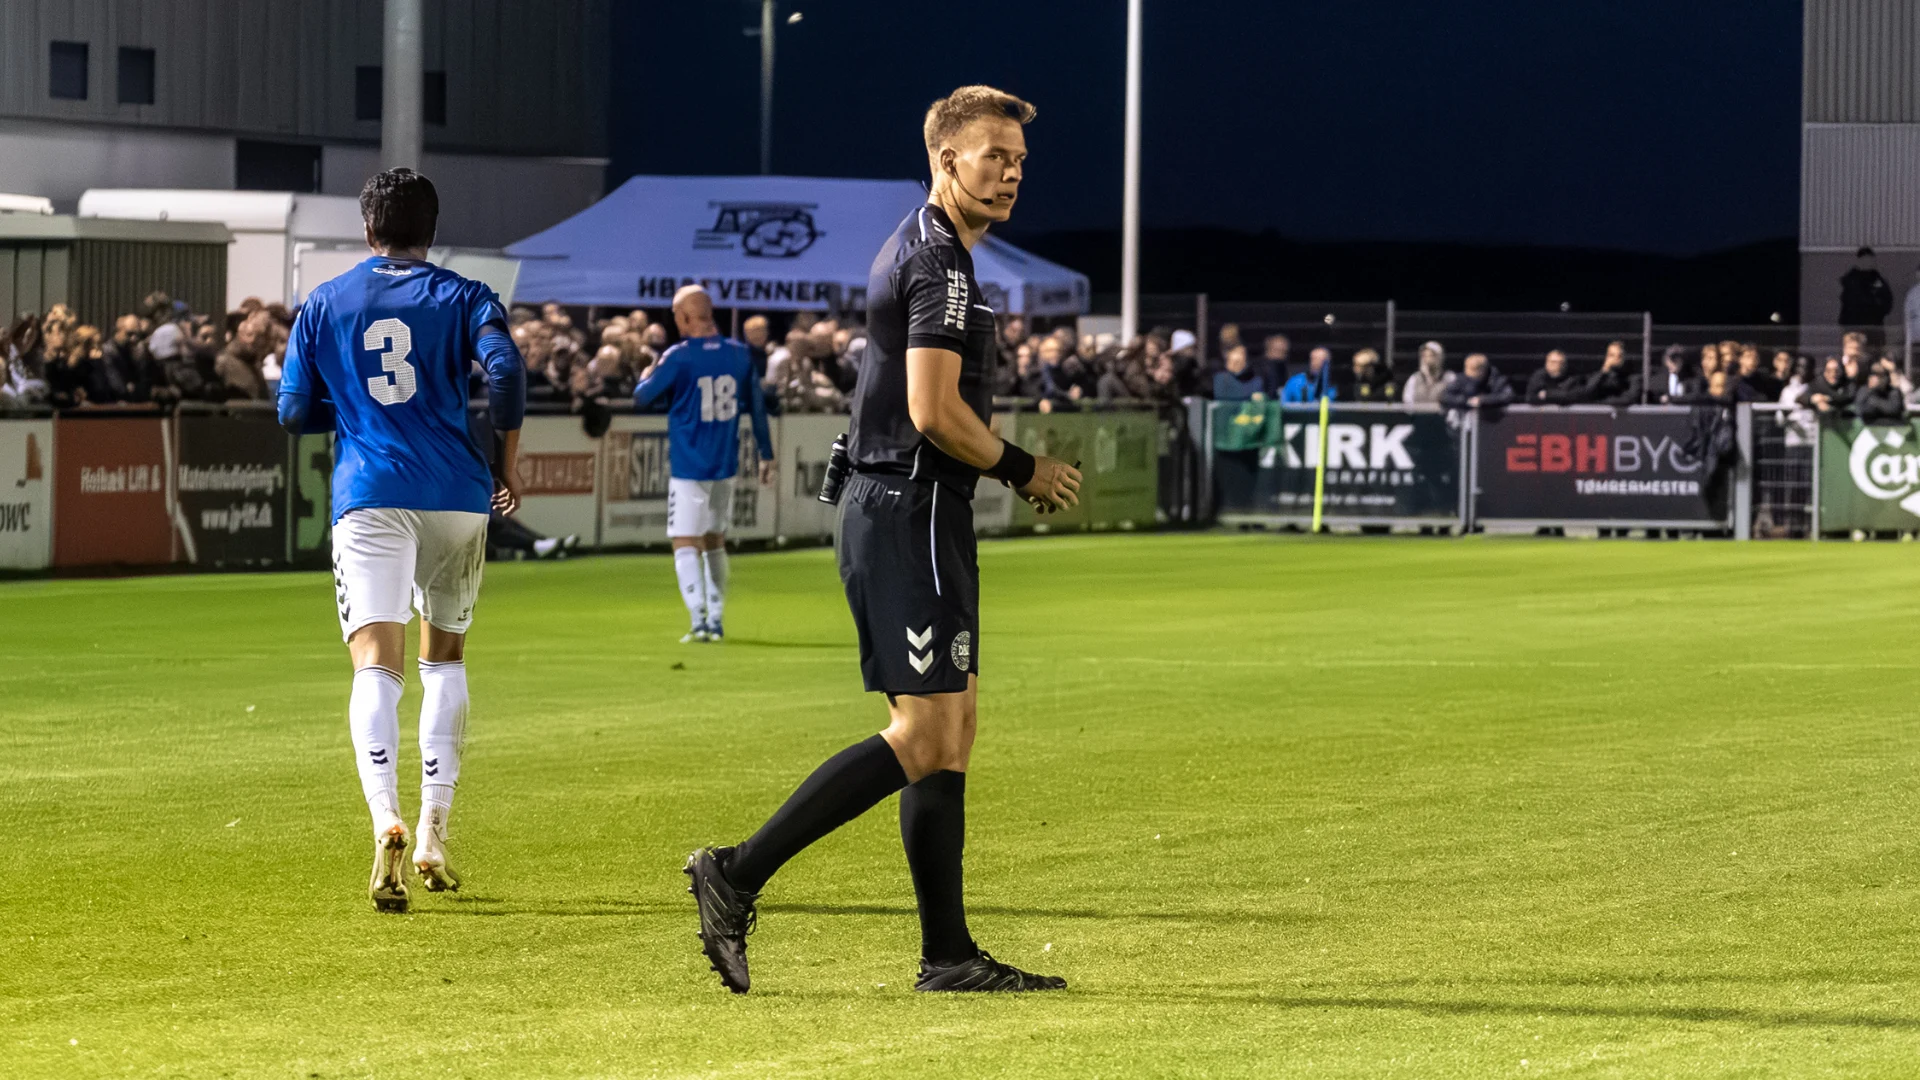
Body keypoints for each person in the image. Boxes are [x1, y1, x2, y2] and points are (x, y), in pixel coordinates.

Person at [684, 85, 1077, 997]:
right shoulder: (937, 262)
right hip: (910, 508)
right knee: (925, 729)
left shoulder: (932, 248)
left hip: (915, 508)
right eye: (994, 156)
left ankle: (948, 956)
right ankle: (734, 874)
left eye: (1019, 161)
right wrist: (1023, 468)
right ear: (947, 160)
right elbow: (932, 411)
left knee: (954, 727)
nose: (1012, 173)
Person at [276, 168, 527, 913]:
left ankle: (385, 811)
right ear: (432, 229)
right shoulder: (466, 296)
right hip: (457, 495)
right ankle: (433, 830)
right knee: (443, 658)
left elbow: (292, 410)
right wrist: (504, 462)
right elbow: (507, 370)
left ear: (367, 228)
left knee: (375, 668)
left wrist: (354, 408)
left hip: (372, 497)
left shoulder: (325, 302)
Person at [633, 285, 775, 643]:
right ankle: (716, 617)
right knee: (714, 540)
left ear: (684, 317)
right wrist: (766, 453)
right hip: (724, 463)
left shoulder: (679, 356)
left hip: (689, 464)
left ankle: (699, 620)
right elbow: (757, 408)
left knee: (684, 541)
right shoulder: (740, 354)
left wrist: (645, 373)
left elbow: (643, 397)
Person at [1840, 246, 1894, 349]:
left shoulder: (1878, 280)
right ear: (1859, 260)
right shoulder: (1851, 281)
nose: (1868, 262)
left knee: (1875, 357)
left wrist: (1876, 305)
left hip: (1875, 329)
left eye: (1870, 259)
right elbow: (1852, 304)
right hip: (1854, 329)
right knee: (1856, 357)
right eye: (1865, 259)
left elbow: (1887, 303)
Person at [1438, 352, 1513, 412]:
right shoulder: (1461, 379)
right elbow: (1444, 396)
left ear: (1483, 370)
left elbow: (1506, 396)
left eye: (1475, 372)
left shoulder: (1497, 380)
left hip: (1493, 423)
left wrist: (1482, 400)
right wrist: (1466, 401)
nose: (1471, 377)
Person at [1581, 341, 1642, 405]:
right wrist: (1604, 370)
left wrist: (1601, 402)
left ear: (1625, 357)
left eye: (1620, 356)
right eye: (1611, 355)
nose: (1616, 359)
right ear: (1606, 357)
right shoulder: (1599, 378)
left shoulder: (1634, 378)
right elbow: (1587, 392)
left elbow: (1629, 399)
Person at [1401, 341, 1450, 405]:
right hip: (1418, 414)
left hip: (1441, 414)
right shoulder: (1415, 378)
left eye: (1431, 355)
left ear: (1439, 357)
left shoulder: (1449, 378)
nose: (1427, 359)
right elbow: (1407, 400)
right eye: (1424, 356)